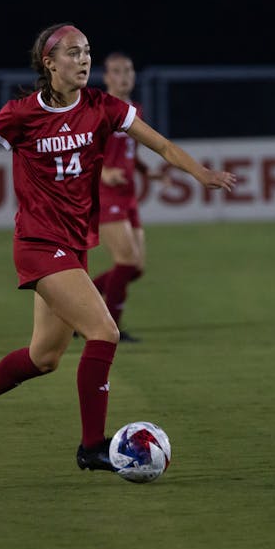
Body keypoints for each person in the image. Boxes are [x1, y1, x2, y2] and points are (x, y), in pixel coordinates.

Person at [0, 23, 235, 472]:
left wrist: (199, 173)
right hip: (39, 243)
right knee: (105, 331)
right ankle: (91, 447)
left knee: (44, 358)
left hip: (75, 242)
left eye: (87, 52)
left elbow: (157, 143)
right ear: (50, 62)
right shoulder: (21, 114)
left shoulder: (102, 106)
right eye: (74, 53)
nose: (84, 60)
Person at [89, 52, 165, 342]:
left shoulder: (135, 110)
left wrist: (147, 172)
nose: (125, 76)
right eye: (118, 71)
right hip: (105, 194)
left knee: (136, 268)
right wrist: (104, 172)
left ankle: (73, 303)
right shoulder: (100, 110)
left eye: (129, 70)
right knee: (126, 261)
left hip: (129, 195)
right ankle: (110, 329)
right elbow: (84, 153)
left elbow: (129, 152)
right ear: (107, 77)